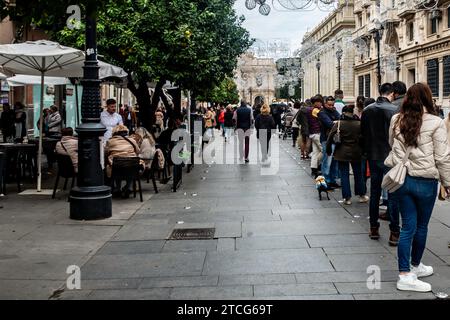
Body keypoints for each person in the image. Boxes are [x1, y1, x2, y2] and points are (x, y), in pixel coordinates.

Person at [385, 83, 450, 292]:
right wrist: (447, 183)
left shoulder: (396, 120)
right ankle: (412, 268)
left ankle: (408, 271)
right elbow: (442, 157)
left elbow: (390, 143)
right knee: (421, 226)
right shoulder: (436, 122)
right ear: (428, 98)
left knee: (407, 227)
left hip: (402, 179)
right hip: (426, 181)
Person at [361, 83, 401, 244]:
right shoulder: (395, 110)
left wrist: (365, 153)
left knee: (375, 193)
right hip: (389, 156)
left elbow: (362, 135)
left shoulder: (367, 110)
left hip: (373, 155)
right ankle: (394, 232)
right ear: (392, 94)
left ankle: (374, 228)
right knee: (393, 194)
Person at [326, 105, 369, 205]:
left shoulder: (339, 124)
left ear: (344, 112)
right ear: (353, 112)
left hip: (342, 152)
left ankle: (347, 198)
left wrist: (329, 150)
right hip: (356, 152)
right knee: (358, 174)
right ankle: (361, 195)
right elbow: (364, 138)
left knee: (344, 175)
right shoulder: (359, 124)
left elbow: (330, 138)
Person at [105, 124, 142, 198]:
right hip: (131, 167)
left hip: (116, 168)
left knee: (115, 166)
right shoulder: (132, 140)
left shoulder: (110, 141)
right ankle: (128, 187)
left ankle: (118, 189)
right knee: (131, 166)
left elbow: (106, 152)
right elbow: (138, 151)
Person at [318, 96, 340, 188]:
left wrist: (335, 122)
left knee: (334, 161)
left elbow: (340, 121)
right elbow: (329, 124)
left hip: (334, 139)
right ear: (325, 104)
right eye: (329, 105)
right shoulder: (322, 113)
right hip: (326, 140)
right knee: (327, 161)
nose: (331, 106)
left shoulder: (334, 111)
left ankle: (332, 180)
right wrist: (335, 122)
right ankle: (326, 181)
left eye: (332, 104)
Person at [307, 96, 323, 177]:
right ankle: (317, 165)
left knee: (315, 152)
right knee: (325, 151)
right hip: (317, 133)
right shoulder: (315, 110)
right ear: (315, 103)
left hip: (312, 133)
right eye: (319, 102)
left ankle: (314, 168)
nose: (321, 103)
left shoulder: (309, 109)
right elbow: (322, 118)